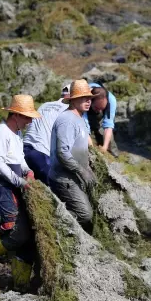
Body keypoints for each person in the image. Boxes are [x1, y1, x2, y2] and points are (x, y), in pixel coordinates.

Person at [0, 95, 41, 290]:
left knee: (27, 236)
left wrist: (27, 171)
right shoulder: (1, 133)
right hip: (1, 189)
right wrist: (19, 181)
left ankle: (20, 284)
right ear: (16, 115)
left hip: (16, 187)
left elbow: (19, 160)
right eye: (27, 117)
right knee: (15, 232)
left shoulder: (16, 134)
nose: (30, 122)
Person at [48, 80, 97, 233]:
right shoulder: (67, 120)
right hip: (64, 178)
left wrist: (87, 169)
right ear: (73, 99)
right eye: (84, 98)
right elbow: (62, 152)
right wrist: (81, 171)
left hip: (73, 175)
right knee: (84, 215)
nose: (88, 101)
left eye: (90, 98)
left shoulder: (80, 119)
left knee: (89, 213)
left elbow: (80, 150)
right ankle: (51, 226)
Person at [22, 83, 71, 184]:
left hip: (23, 151)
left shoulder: (45, 105)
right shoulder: (68, 110)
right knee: (60, 190)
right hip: (42, 154)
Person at [85, 82, 119, 157]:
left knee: (108, 139)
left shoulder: (111, 100)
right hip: (86, 112)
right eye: (97, 108)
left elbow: (108, 126)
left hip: (101, 113)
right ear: (90, 101)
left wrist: (105, 147)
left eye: (102, 108)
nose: (99, 111)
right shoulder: (84, 99)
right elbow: (83, 127)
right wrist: (92, 150)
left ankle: (114, 155)